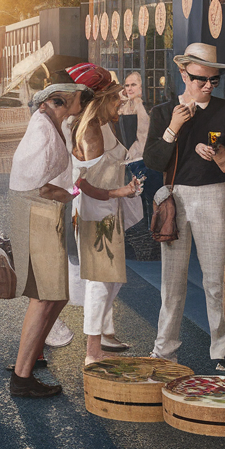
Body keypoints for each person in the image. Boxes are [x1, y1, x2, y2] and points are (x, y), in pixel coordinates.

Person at [143, 43, 225, 371]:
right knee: (171, 282)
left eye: (214, 80)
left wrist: (221, 155)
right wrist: (173, 128)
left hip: (214, 195)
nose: (207, 86)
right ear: (183, 73)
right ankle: (164, 350)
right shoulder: (164, 112)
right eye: (200, 79)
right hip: (174, 196)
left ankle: (223, 351)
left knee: (216, 280)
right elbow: (153, 161)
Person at [4, 64, 99, 397]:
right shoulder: (43, 129)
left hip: (42, 211)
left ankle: (26, 364)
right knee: (46, 297)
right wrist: (73, 193)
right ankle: (22, 376)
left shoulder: (53, 123)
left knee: (54, 295)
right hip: (38, 211)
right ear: (65, 98)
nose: (83, 102)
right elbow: (40, 186)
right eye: (80, 96)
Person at [71, 69, 143, 365]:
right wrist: (120, 191)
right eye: (115, 98)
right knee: (101, 281)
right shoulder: (91, 130)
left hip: (107, 215)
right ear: (101, 100)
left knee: (111, 280)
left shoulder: (102, 125)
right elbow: (83, 183)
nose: (120, 102)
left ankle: (101, 337)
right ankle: (92, 351)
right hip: (96, 216)